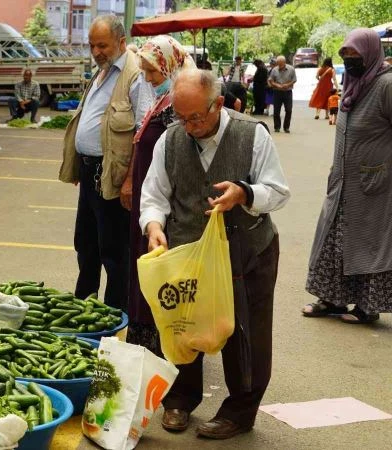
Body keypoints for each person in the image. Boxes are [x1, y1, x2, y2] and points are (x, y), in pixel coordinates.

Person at [141, 69, 290, 439]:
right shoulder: (170, 140)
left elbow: (278, 190)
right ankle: (179, 399)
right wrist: (154, 226)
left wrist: (245, 193)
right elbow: (154, 195)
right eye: (181, 116)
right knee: (183, 323)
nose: (189, 126)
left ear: (218, 104)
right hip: (189, 252)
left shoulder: (250, 134)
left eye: (196, 117)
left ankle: (240, 411)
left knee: (245, 333)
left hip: (248, 251)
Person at [58, 15, 148, 310]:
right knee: (86, 244)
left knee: (114, 251)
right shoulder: (102, 73)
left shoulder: (134, 76)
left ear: (121, 43)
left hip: (113, 175)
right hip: (89, 172)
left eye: (103, 45)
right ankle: (84, 303)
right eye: (92, 45)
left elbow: (142, 132)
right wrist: (78, 164)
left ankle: (113, 313)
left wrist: (131, 180)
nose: (96, 52)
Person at [303, 28, 392, 324]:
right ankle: (332, 300)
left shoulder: (386, 85)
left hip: (373, 185)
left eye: (355, 56)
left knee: (367, 244)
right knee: (332, 241)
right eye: (346, 56)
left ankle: (367, 308)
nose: (350, 61)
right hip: (341, 181)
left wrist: (383, 168)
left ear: (369, 54)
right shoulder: (352, 81)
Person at [121, 35, 193, 355]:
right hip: (147, 200)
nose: (148, 78)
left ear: (170, 65)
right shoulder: (161, 102)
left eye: (153, 72)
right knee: (145, 266)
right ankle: (144, 337)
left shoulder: (177, 109)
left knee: (162, 272)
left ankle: (162, 342)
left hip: (165, 206)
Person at [268, 55, 296, 133]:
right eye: (278, 64)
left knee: (289, 110)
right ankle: (277, 127)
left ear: (284, 63)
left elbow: (294, 80)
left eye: (281, 64)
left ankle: (286, 127)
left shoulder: (291, 69)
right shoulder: (274, 70)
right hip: (277, 92)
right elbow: (271, 80)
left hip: (288, 92)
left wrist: (288, 85)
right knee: (276, 110)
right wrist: (276, 85)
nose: (279, 66)